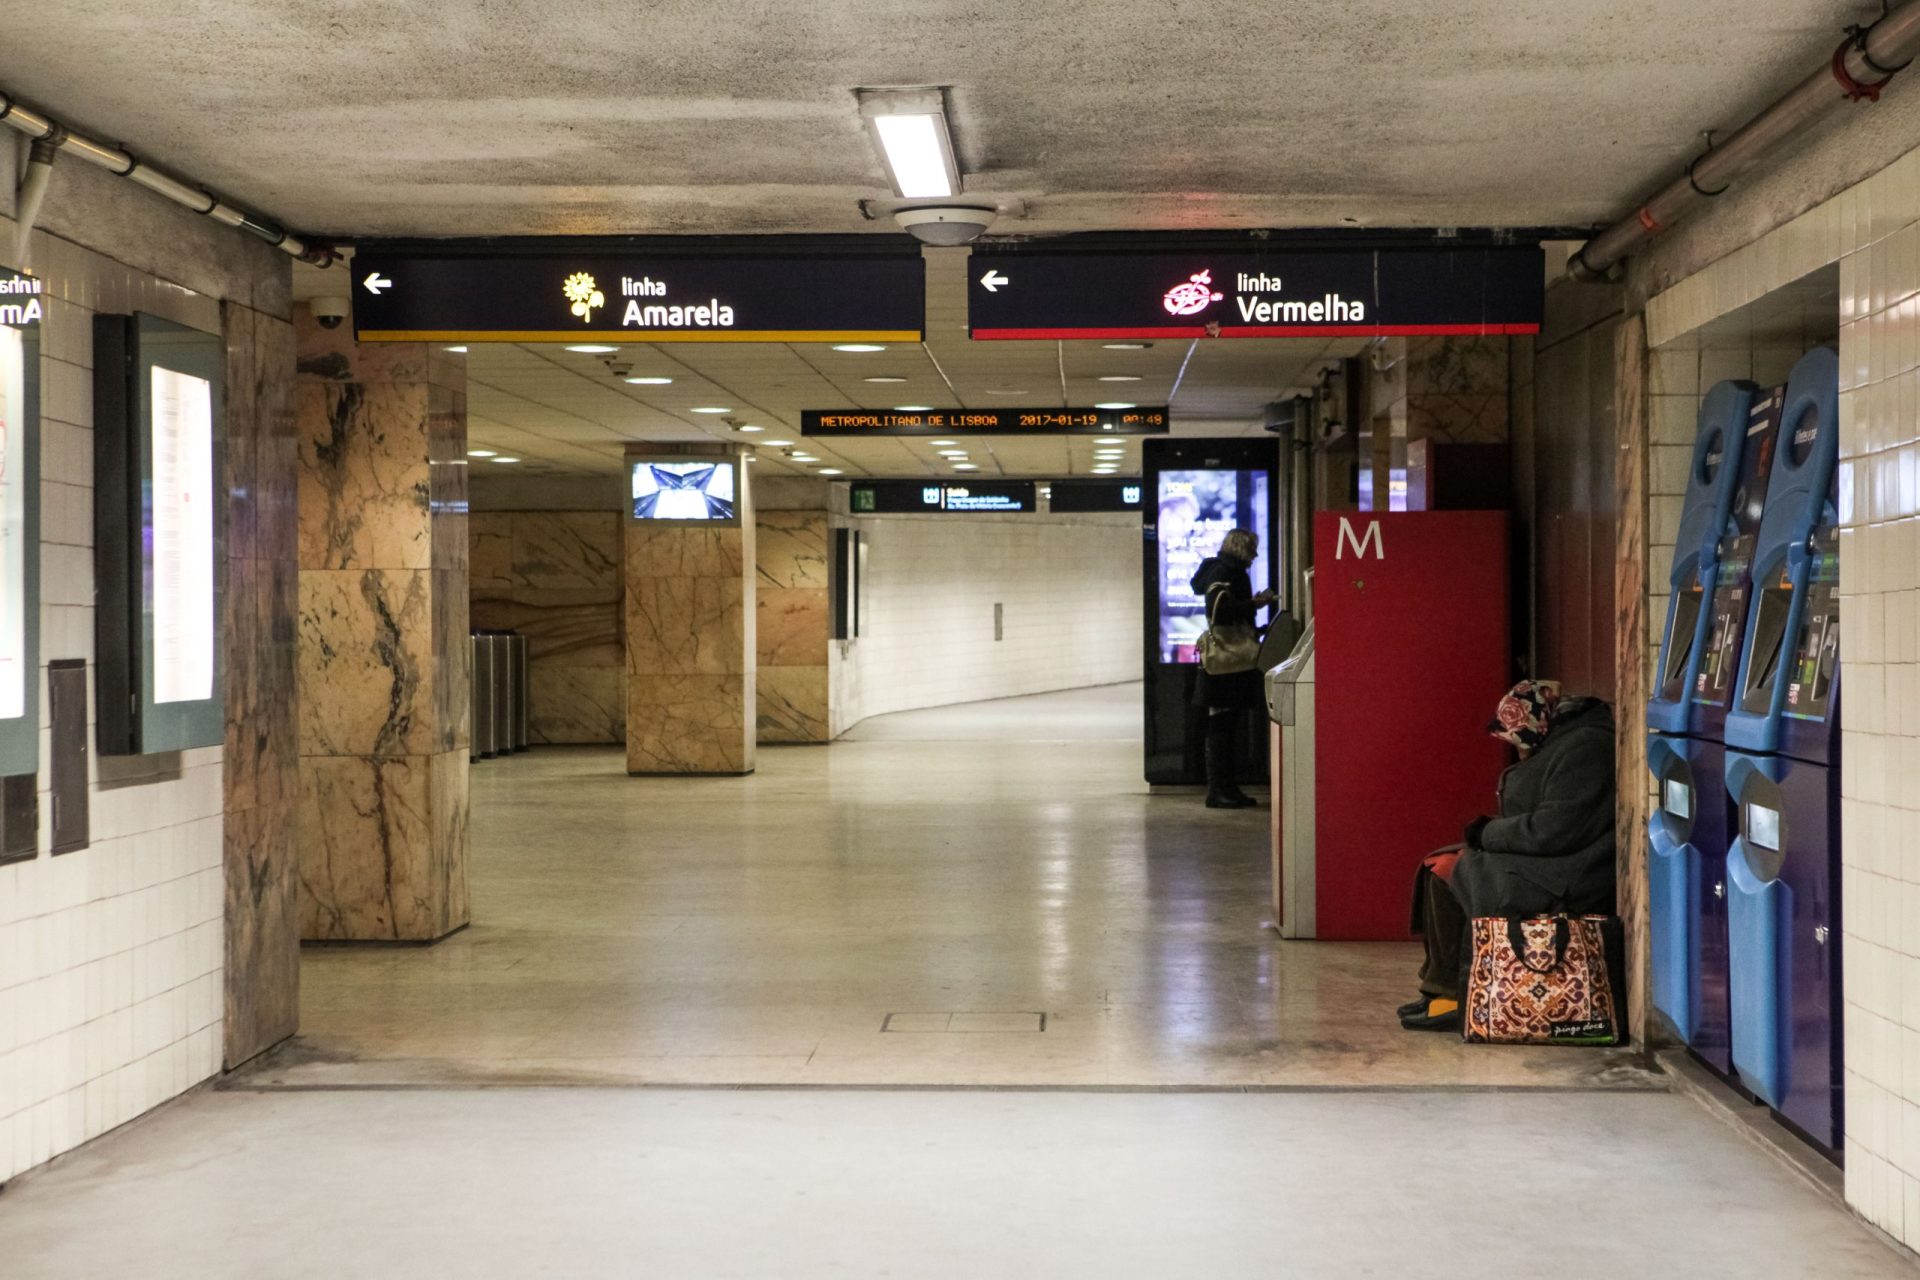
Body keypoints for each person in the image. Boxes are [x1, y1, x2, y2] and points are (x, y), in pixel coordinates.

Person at [1400, 679, 1616, 1032]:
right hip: (1550, 860)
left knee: (1453, 870)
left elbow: (1555, 830)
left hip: (1570, 874)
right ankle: (1439, 988)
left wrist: (1488, 833)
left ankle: (1455, 996)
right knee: (1437, 866)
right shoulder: (1559, 741)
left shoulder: (1586, 748)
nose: (1517, 750)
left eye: (1517, 740)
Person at [1190, 528, 1277, 810]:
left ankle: (1225, 788)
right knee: (1222, 728)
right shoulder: (1226, 571)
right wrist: (1255, 603)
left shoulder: (1218, 569)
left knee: (1223, 726)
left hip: (1224, 665)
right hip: (1226, 665)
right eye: (1252, 549)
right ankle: (1219, 791)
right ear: (1242, 548)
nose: (1255, 555)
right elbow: (1223, 611)